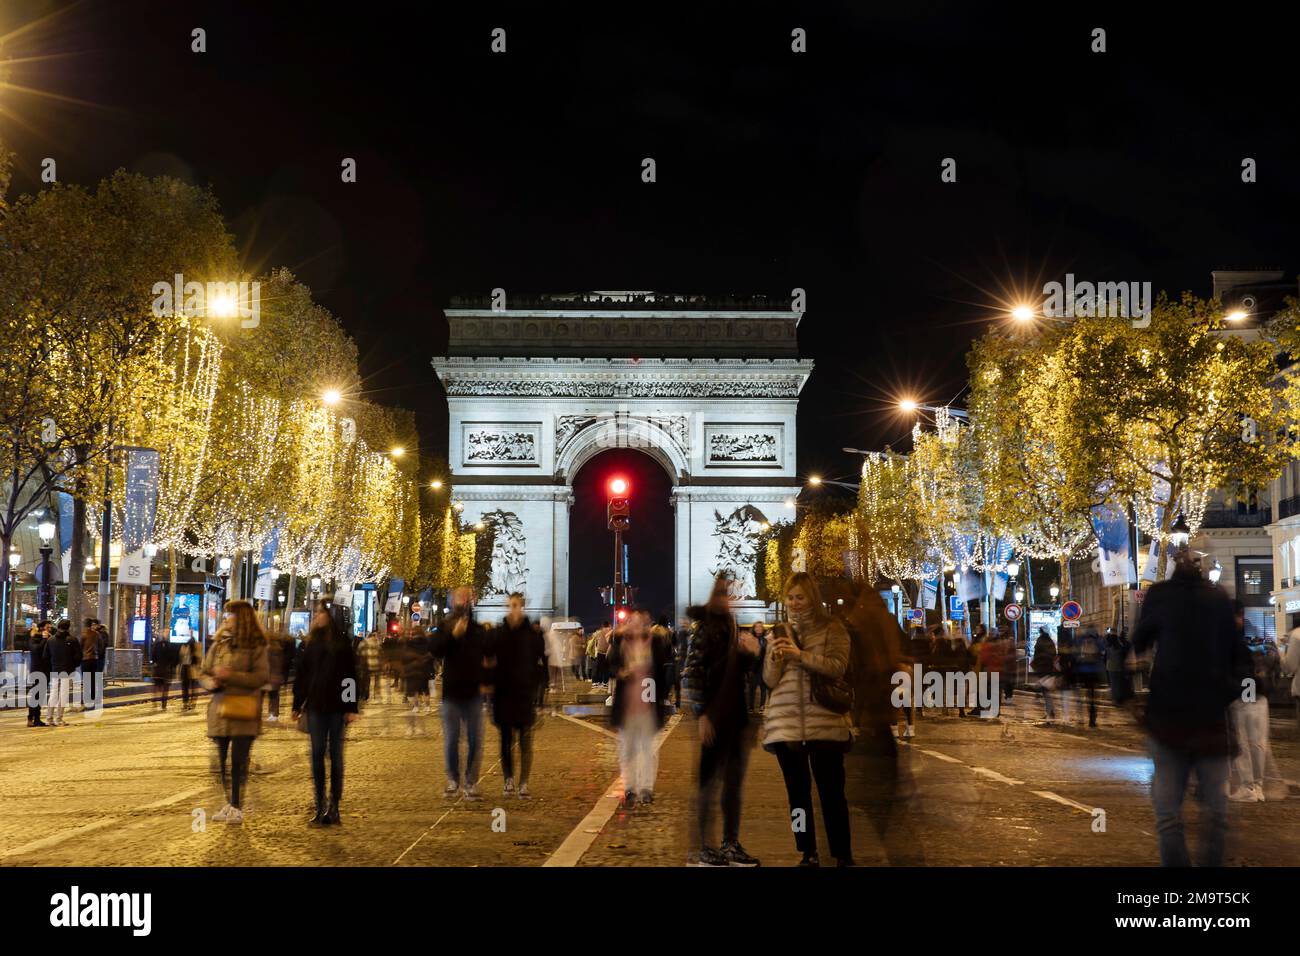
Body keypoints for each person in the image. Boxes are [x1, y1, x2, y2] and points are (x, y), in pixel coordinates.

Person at [1132, 549, 1250, 867]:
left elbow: (1139, 640)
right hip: (1211, 718)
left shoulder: (1159, 595)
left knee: (1168, 814)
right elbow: (1239, 655)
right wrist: (1231, 691)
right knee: (1216, 812)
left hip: (1167, 717)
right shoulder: (1219, 598)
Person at [763, 573, 854, 867]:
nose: (794, 603)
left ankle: (842, 853)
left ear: (812, 598)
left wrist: (801, 655)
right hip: (786, 725)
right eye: (790, 597)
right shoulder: (777, 631)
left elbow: (838, 667)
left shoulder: (833, 628)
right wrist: (775, 658)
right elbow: (769, 680)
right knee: (797, 798)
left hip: (824, 723)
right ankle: (807, 851)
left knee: (832, 795)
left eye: (800, 597)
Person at [683, 574, 761, 866]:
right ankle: (701, 847)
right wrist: (701, 715)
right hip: (714, 719)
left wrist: (750, 654)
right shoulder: (703, 628)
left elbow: (740, 672)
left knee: (733, 785)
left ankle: (730, 844)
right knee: (707, 784)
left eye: (732, 593)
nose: (731, 598)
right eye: (725, 593)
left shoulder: (731, 625)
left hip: (736, 717)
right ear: (714, 596)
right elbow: (691, 673)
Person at [201, 600, 271, 825]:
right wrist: (209, 681)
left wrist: (230, 675)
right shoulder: (219, 643)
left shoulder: (256, 645)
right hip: (219, 710)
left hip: (243, 709)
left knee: (239, 761)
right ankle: (228, 802)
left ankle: (237, 805)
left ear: (242, 618)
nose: (226, 619)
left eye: (230, 615)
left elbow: (260, 678)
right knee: (222, 763)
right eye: (225, 615)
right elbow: (203, 671)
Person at [292, 601, 359, 825]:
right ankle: (320, 804)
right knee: (317, 755)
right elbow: (302, 676)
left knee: (336, 756)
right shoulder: (311, 644)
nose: (317, 615)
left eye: (321, 612)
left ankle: (335, 805)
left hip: (338, 708)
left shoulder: (342, 644)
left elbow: (350, 677)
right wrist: (296, 703)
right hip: (316, 707)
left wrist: (350, 707)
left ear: (331, 616)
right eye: (317, 611)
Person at [429, 586, 488, 800]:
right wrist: (453, 636)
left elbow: (486, 656)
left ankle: (471, 782)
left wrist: (486, 680)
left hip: (472, 692)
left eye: (467, 597)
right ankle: (453, 779)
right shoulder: (444, 626)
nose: (464, 601)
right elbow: (435, 650)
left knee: (475, 740)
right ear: (453, 601)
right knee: (452, 739)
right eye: (460, 597)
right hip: (452, 693)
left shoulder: (478, 629)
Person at [609, 607, 670, 807]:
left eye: (638, 622)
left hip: (648, 704)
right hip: (627, 705)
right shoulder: (620, 644)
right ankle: (630, 787)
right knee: (627, 749)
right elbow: (609, 665)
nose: (635, 625)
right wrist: (620, 671)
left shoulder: (656, 643)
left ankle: (646, 788)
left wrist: (664, 699)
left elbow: (663, 673)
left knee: (648, 749)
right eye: (631, 622)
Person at [486, 593, 545, 797]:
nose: (514, 609)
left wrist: (538, 691)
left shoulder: (533, 635)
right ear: (507, 606)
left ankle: (524, 783)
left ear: (523, 607)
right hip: (503, 693)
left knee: (525, 741)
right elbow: (489, 659)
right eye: (511, 605)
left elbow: (540, 664)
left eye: (517, 605)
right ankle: (508, 779)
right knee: (505, 740)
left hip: (524, 694)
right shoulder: (498, 633)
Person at [1228, 601, 1281, 802]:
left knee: (1245, 742)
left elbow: (1241, 673)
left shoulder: (1229, 641)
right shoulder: (1238, 641)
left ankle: (1250, 786)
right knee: (1255, 743)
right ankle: (1255, 786)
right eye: (1239, 615)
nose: (1241, 620)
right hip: (1251, 695)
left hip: (1244, 696)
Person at [42, 620, 82, 726]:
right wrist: (73, 665)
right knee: (63, 694)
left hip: (55, 669)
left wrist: (52, 666)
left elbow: (45, 656)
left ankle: (49, 718)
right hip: (67, 670)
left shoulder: (50, 640)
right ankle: (59, 718)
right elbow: (78, 656)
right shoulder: (72, 640)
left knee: (53, 693)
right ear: (68, 627)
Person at [1074, 627, 1104, 728]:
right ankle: (1092, 719)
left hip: (1084, 673)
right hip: (1095, 673)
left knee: (1087, 696)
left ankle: (1085, 716)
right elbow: (1103, 649)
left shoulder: (1082, 641)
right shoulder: (1097, 641)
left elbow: (1076, 653)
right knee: (1094, 697)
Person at [79, 618, 107, 709]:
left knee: (86, 680)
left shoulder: (83, 635)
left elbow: (80, 647)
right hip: (94, 659)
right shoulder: (96, 634)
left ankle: (86, 700)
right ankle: (93, 698)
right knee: (93, 680)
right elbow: (101, 646)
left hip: (85, 660)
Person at [1031, 629, 1058, 721]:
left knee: (1045, 692)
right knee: (1046, 692)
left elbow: (1036, 655)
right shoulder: (1051, 642)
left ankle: (1050, 713)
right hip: (1049, 669)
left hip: (1041, 669)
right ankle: (1049, 712)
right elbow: (1054, 655)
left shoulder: (1039, 641)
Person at [26, 621, 50, 727]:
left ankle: (37, 718)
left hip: (46, 670)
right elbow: (36, 649)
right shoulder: (33, 639)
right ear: (41, 629)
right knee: (35, 695)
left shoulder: (48, 639)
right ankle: (30, 717)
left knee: (40, 696)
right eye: (47, 627)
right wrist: (44, 639)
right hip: (37, 671)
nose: (49, 629)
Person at [745, 621, 769, 714]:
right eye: (756, 627)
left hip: (763, 667)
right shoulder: (751, 639)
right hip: (753, 667)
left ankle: (762, 706)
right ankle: (751, 706)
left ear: (762, 629)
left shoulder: (765, 640)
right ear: (754, 629)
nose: (758, 628)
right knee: (752, 688)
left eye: (760, 627)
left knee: (763, 688)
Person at [1104, 628, 1132, 705]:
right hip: (1119, 667)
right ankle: (1119, 699)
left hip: (1111, 667)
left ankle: (1116, 699)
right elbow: (1124, 654)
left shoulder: (1108, 646)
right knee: (1118, 684)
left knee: (1114, 684)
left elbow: (1106, 657)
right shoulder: (1121, 645)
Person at [152, 638, 176, 711]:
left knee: (164, 688)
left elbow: (173, 658)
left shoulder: (169, 646)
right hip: (160, 671)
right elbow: (153, 657)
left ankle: (163, 704)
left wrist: (170, 667)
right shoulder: (158, 646)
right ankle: (156, 701)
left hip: (165, 671)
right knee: (158, 687)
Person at [179, 637, 200, 710]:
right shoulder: (197, 649)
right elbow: (199, 660)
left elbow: (181, 658)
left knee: (185, 687)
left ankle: (186, 703)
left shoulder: (184, 647)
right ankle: (192, 703)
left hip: (186, 669)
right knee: (193, 688)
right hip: (193, 670)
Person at [594, 620, 613, 690]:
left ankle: (596, 682)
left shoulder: (599, 632)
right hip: (606, 653)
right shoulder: (610, 631)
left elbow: (596, 638)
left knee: (599, 668)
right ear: (609, 625)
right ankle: (604, 683)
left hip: (599, 652)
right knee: (606, 669)